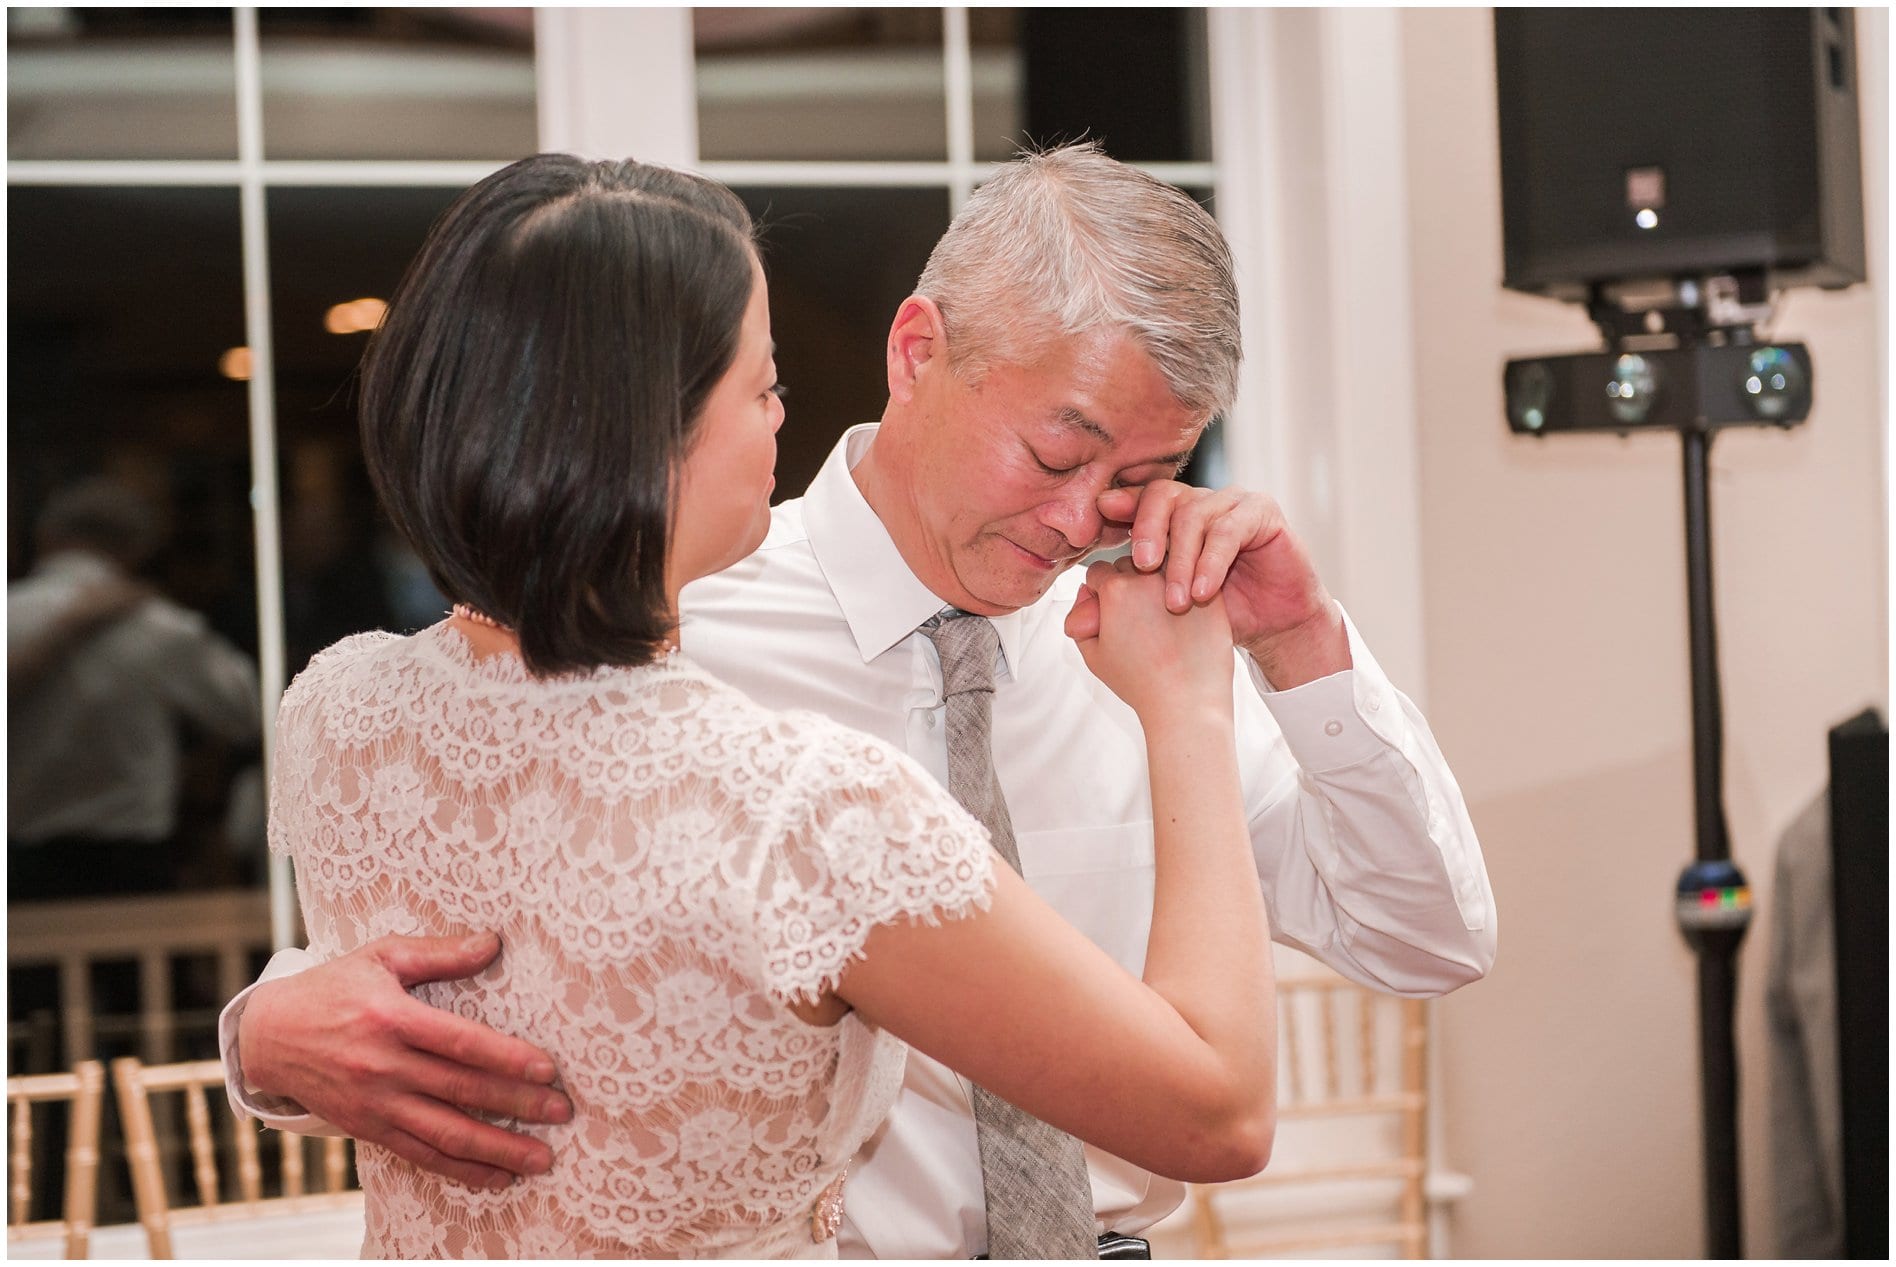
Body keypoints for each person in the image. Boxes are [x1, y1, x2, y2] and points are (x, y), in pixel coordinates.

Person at [224, 142, 1496, 1259]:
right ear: (917, 349)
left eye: (1145, 472)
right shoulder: (663, 632)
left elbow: (1426, 938)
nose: (1081, 515)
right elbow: (482, 916)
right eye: (1057, 452)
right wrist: (262, 1035)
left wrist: (1299, 647)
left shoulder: (1148, 639)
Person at [9, 478, 260, 900]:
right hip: (131, 869)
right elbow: (245, 710)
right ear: (140, 548)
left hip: (20, 869)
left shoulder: (10, 615)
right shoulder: (158, 626)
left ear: (46, 535)